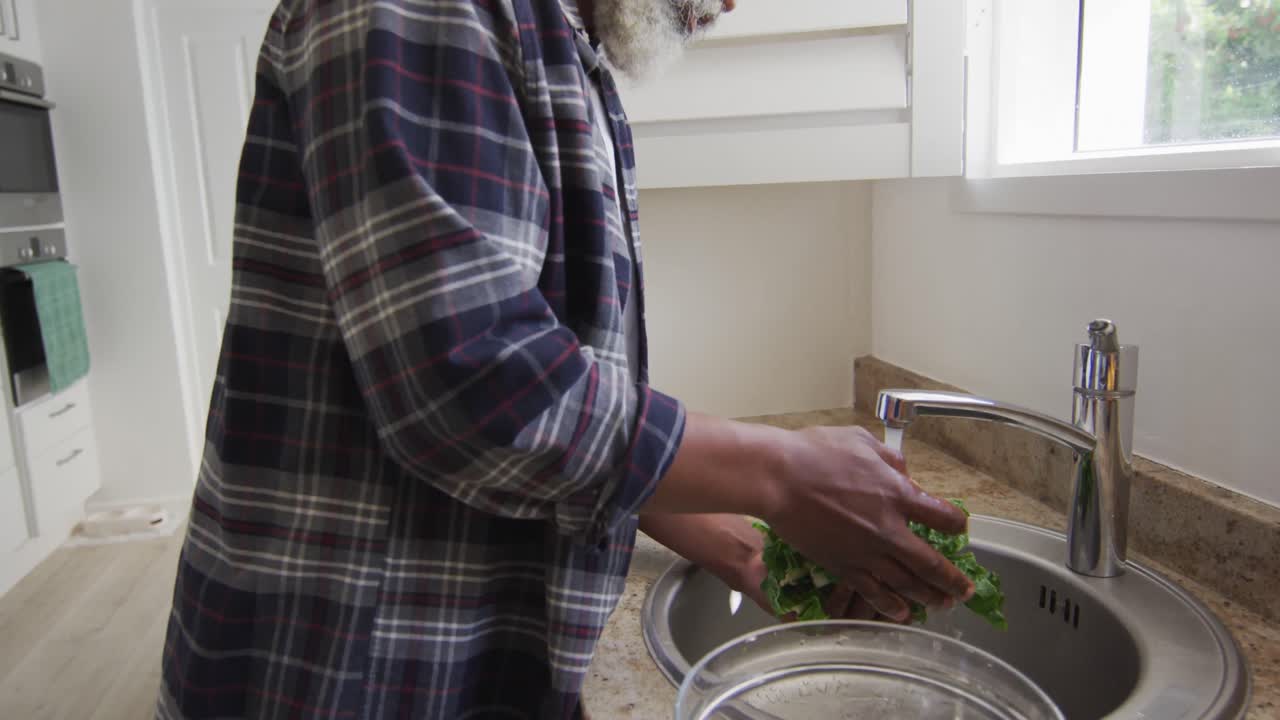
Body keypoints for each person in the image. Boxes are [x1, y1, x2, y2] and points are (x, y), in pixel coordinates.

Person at [155, 0, 974, 717]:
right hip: (349, 659)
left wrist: (729, 539)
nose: (729, 3)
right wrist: (780, 472)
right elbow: (475, 384)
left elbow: (555, 367)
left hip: (441, 636)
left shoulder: (555, 42)